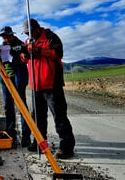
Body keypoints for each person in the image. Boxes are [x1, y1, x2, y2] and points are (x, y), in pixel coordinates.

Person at [21, 18, 75, 158]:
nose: (28, 36)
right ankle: (39, 141)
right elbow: (24, 58)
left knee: (59, 116)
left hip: (52, 84)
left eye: (30, 32)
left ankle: (66, 146)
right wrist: (25, 55)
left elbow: (58, 53)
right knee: (38, 117)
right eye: (26, 33)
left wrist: (38, 50)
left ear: (37, 28)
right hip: (36, 85)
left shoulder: (51, 37)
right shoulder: (28, 42)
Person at [0, 26, 31, 147]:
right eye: (3, 37)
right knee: (8, 106)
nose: (5, 39)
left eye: (7, 36)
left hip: (18, 78)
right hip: (6, 79)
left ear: (12, 35)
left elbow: (26, 55)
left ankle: (26, 136)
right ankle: (11, 133)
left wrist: (19, 53)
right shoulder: (1, 47)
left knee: (21, 106)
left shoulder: (20, 44)